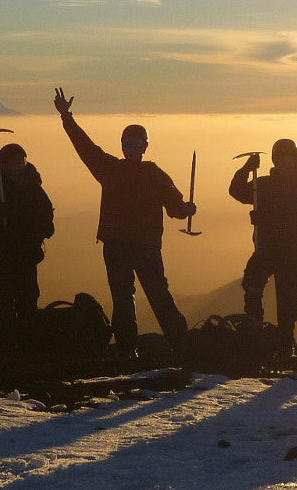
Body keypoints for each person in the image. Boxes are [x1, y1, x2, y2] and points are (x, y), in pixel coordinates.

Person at [54, 87, 195, 359]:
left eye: (136, 145)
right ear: (123, 146)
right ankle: (136, 349)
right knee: (126, 299)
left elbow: (175, 208)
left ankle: (174, 347)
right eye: (129, 144)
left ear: (144, 147)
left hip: (137, 247)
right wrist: (66, 117)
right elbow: (85, 147)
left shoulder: (135, 173)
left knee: (153, 296)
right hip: (125, 247)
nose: (132, 149)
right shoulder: (116, 169)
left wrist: (186, 209)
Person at [228, 138, 297, 348]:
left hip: (290, 251)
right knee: (252, 284)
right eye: (281, 160)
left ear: (296, 161)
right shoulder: (262, 185)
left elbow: (294, 221)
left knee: (286, 296)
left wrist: (263, 218)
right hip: (267, 248)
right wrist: (246, 169)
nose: (285, 164)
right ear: (275, 161)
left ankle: (285, 341)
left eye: (289, 159)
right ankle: (255, 328)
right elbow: (237, 191)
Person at [0, 142, 56, 335]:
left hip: (26, 251)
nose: (18, 165)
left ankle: (25, 336)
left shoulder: (33, 187)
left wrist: (37, 230)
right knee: (2, 296)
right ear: (5, 165)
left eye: (20, 161)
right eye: (14, 161)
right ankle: (11, 334)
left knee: (27, 296)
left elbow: (46, 216)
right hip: (5, 251)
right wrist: (0, 218)